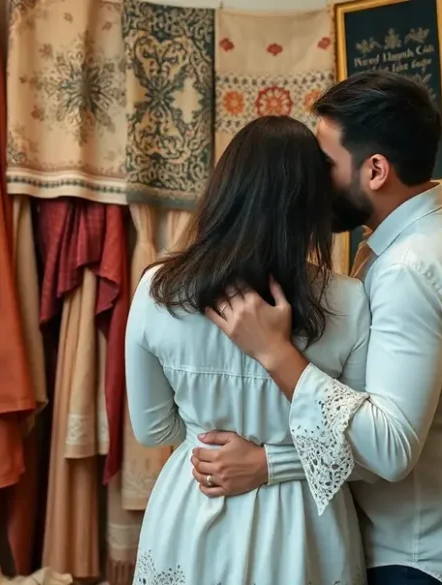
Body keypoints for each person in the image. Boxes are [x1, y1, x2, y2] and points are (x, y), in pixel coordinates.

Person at [200, 71, 442, 585]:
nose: (312, 178)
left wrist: (276, 354)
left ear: (375, 170)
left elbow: (390, 447)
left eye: (325, 163)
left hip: (417, 558)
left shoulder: (411, 267)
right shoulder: (441, 239)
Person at [124, 115, 375, 584]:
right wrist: (276, 457)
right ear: (313, 204)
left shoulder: (158, 291)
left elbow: (154, 430)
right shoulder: (348, 301)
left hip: (193, 504)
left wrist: (215, 429)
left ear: (224, 190)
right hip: (304, 527)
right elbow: (365, 449)